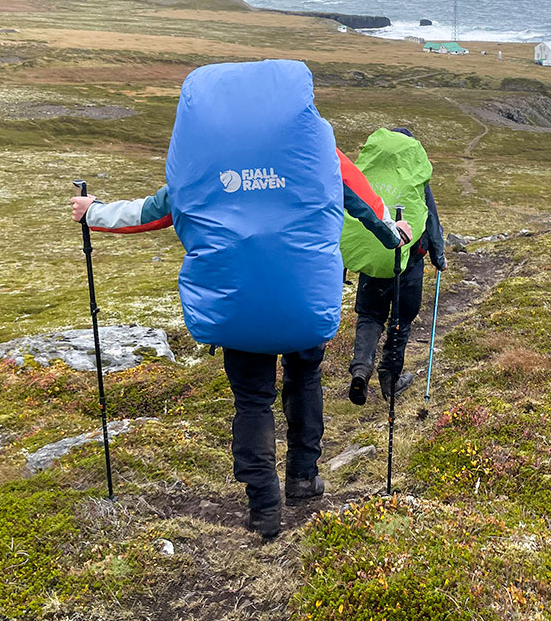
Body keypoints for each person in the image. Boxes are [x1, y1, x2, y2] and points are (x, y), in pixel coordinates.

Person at [70, 147, 411, 540]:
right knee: (304, 377)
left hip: (239, 295)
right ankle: (303, 478)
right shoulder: (316, 145)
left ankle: (264, 506)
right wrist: (392, 233)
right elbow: (362, 199)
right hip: (304, 291)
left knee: (252, 399)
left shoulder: (212, 149)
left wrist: (94, 212)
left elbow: (160, 209)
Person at [348, 127, 446, 406]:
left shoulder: (369, 178)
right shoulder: (415, 181)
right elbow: (431, 223)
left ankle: (360, 369)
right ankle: (390, 377)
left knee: (369, 315)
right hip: (409, 263)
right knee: (401, 318)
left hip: (372, 258)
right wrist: (438, 257)